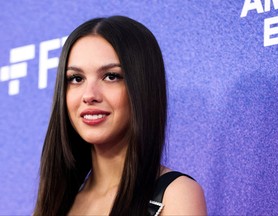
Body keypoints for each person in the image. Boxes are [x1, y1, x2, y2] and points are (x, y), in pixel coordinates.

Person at [34, 15, 206, 216]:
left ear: (142, 87)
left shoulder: (174, 195)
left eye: (111, 76)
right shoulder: (55, 205)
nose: (89, 95)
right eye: (76, 78)